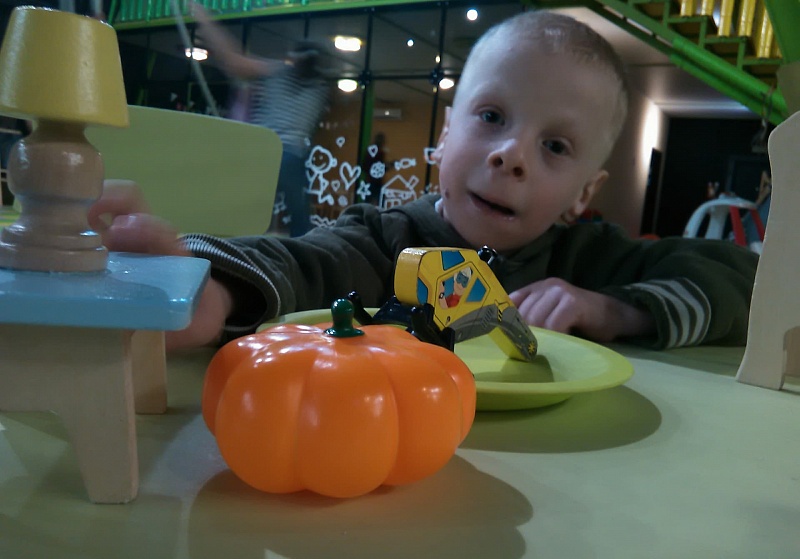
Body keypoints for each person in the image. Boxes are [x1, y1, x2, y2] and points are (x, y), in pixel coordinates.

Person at [90, 10, 758, 353]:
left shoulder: (592, 261)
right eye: (491, 117)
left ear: (584, 193)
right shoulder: (387, 239)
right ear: (445, 136)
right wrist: (208, 289)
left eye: (555, 146)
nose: (511, 156)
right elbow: (302, 261)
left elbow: (742, 279)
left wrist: (618, 310)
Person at [191, 3, 329, 237]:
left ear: (295, 59)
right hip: (294, 157)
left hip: (268, 151)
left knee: (247, 212)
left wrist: (205, 20)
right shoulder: (319, 89)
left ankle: (233, 243)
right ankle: (303, 252)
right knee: (299, 220)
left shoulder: (280, 73)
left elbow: (233, 60)